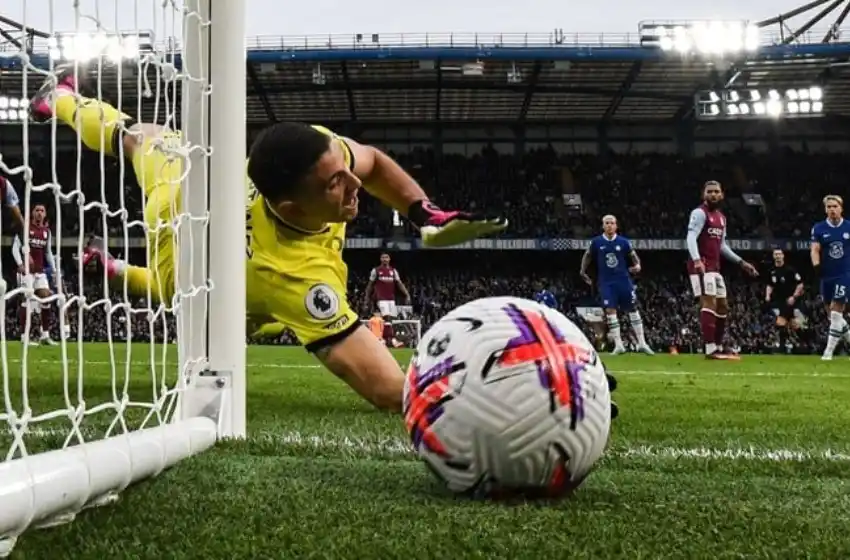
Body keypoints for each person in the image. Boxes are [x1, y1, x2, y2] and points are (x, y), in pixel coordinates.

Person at [30, 65, 507, 412]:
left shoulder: (318, 154)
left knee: (137, 134)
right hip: (176, 223)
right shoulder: (294, 282)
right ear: (292, 209)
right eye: (335, 185)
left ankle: (60, 100)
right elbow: (389, 391)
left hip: (192, 173)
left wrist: (424, 211)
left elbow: (374, 162)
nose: (354, 185)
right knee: (183, 296)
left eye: (343, 172)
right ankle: (112, 270)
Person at [580, 215, 653, 355]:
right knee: (610, 311)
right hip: (606, 283)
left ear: (616, 226)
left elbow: (633, 255)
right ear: (603, 226)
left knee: (633, 309)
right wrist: (582, 270)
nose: (609, 225)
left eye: (612, 223)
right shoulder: (596, 242)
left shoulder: (623, 242)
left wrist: (638, 265)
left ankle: (642, 343)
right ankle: (619, 345)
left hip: (623, 280)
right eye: (606, 223)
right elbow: (588, 255)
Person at [810, 194, 850, 360]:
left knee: (835, 312)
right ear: (825, 209)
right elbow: (815, 249)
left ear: (841, 208)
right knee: (833, 316)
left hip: (844, 274)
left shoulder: (848, 227)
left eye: (835, 206)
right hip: (827, 276)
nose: (832, 209)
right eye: (829, 207)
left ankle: (828, 352)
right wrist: (816, 266)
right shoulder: (819, 228)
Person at [12, 204, 58, 346]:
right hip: (26, 271)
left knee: (46, 297)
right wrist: (20, 264)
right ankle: (24, 337)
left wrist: (54, 270)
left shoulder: (46, 232)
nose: (39, 213)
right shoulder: (25, 228)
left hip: (40, 271)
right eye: (37, 210)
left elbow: (48, 253)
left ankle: (45, 336)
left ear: (45, 215)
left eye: (42, 210)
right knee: (27, 300)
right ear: (32, 213)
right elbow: (15, 247)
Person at [365, 252, 410, 346]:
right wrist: (367, 298)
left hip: (391, 299)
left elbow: (399, 283)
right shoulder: (376, 270)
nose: (385, 259)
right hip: (380, 298)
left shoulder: (393, 271)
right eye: (383, 257)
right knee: (387, 317)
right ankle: (390, 339)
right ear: (380, 259)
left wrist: (406, 294)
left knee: (390, 319)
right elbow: (370, 285)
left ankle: (385, 339)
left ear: (389, 259)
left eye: (386, 257)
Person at [765, 248, 804, 353]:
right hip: (780, 301)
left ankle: (804, 344)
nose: (777, 256)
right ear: (773, 256)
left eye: (779, 254)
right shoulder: (771, 271)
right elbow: (770, 285)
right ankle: (782, 346)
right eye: (775, 254)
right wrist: (767, 295)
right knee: (780, 323)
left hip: (792, 300)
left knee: (795, 324)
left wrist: (794, 296)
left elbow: (800, 284)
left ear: (783, 256)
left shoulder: (790, 270)